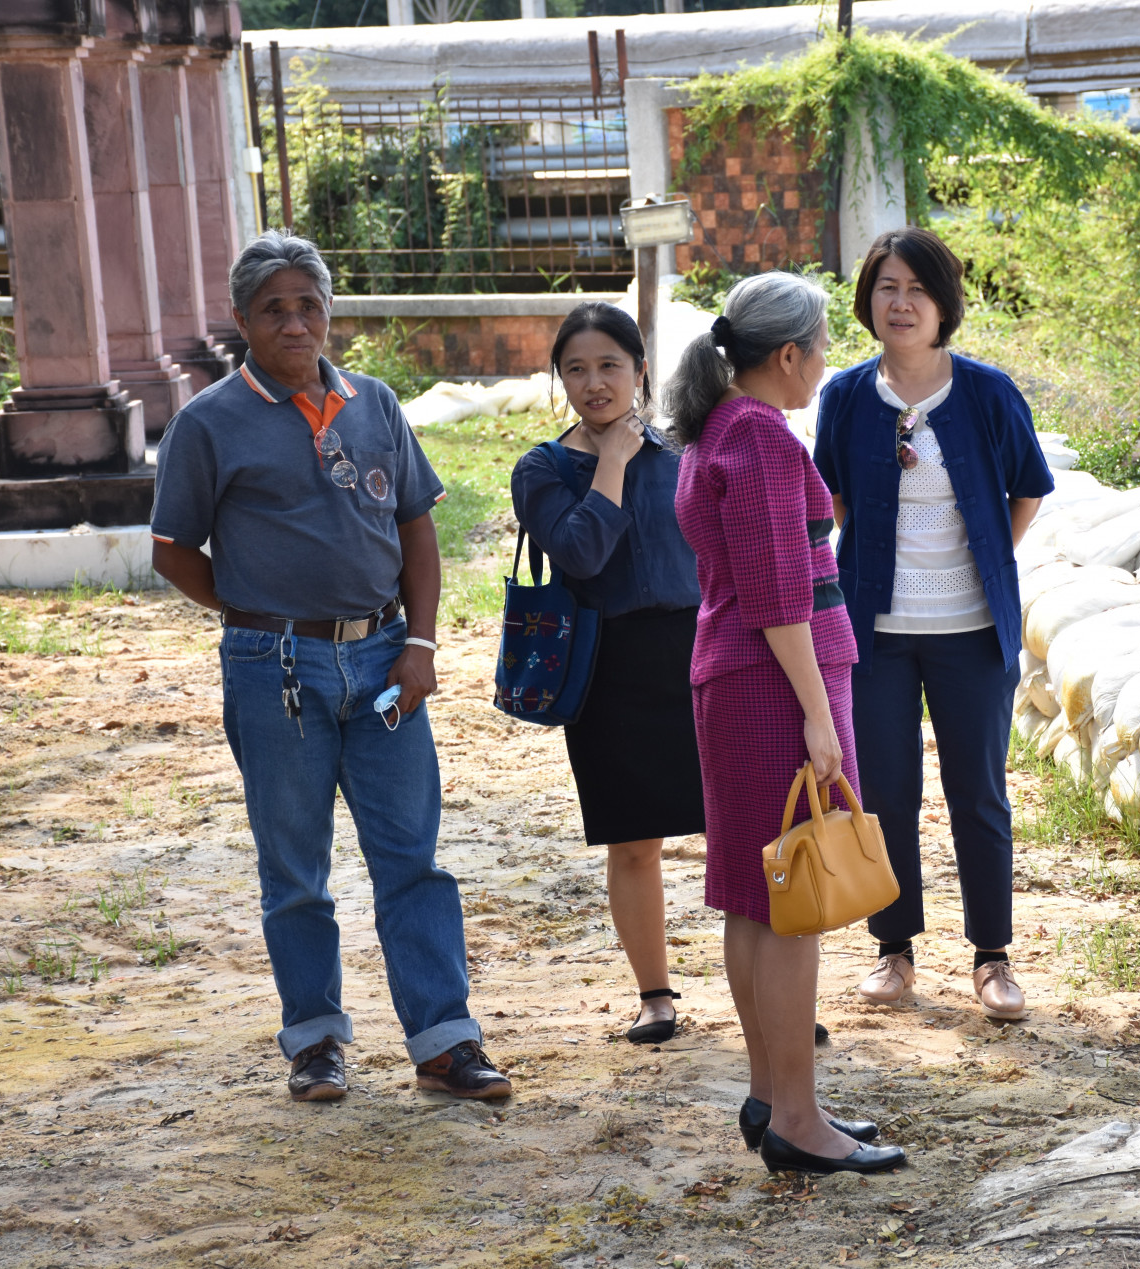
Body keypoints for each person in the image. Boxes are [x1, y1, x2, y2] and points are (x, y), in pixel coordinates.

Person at [149, 229, 510, 1104]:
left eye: (308, 304)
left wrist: (419, 643)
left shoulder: (374, 403)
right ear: (242, 320)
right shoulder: (208, 423)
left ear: (329, 311)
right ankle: (315, 1041)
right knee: (294, 865)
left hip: (386, 663)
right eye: (274, 309)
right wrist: (252, 616)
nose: (295, 323)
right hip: (275, 671)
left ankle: (444, 1039)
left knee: (412, 858)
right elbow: (171, 550)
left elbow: (416, 526)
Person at [669, 271, 906, 1176]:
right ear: (787, 354)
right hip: (776, 684)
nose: (824, 367)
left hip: (732, 675)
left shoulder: (716, 428)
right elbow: (780, 599)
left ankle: (775, 1096)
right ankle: (798, 1120)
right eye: (819, 350)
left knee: (752, 896)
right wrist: (818, 714)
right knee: (792, 904)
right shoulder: (763, 440)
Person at [812, 228, 1055, 1021]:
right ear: (867, 301)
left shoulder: (986, 392)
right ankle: (894, 948)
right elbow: (835, 500)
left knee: (977, 792)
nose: (901, 302)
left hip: (972, 630)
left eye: (917, 287)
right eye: (886, 286)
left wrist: (981, 561)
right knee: (884, 791)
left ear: (943, 302)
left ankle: (991, 956)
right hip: (875, 632)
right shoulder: (847, 396)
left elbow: (1026, 487)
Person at [510, 302, 704, 1046]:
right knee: (634, 841)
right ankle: (655, 994)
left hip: (700, 653)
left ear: (641, 370)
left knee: (745, 830)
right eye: (576, 369)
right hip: (608, 667)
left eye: (609, 366)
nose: (594, 383)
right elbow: (583, 554)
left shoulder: (685, 452)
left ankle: (768, 986)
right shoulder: (544, 467)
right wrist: (614, 463)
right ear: (559, 379)